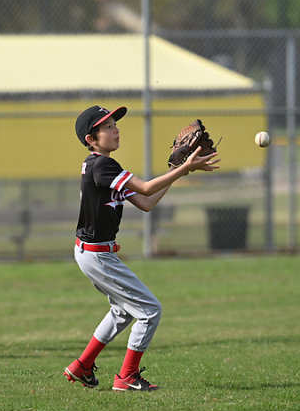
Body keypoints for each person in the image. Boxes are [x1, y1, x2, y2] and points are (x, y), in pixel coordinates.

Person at [64, 105, 219, 391]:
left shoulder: (103, 166)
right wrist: (184, 168)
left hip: (94, 252)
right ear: (91, 139)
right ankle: (127, 376)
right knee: (149, 310)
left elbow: (146, 202)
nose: (116, 130)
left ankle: (82, 366)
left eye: (115, 124)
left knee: (122, 311)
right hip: (97, 255)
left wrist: (174, 171)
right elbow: (146, 188)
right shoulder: (102, 165)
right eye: (107, 127)